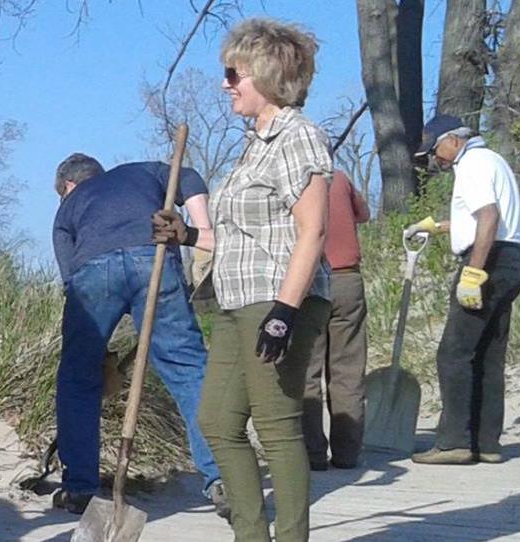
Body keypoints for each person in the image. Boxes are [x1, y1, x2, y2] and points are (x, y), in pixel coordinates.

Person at [153, 18, 331, 542]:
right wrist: (186, 236)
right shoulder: (253, 145)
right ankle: (251, 535)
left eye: (235, 73)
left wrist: (284, 311)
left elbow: (313, 229)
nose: (225, 83)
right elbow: (241, 238)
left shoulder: (298, 136)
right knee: (216, 423)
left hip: (275, 301)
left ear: (269, 75)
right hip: (234, 301)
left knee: (276, 429)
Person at [48, 155, 225, 517]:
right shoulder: (143, 171)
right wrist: (203, 234)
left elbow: (71, 281)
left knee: (77, 380)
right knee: (188, 368)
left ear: (67, 186)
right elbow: (188, 177)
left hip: (92, 273)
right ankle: (222, 478)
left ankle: (80, 487)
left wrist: (94, 351)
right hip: (153, 258)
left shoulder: (68, 209)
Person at [405, 115, 520, 466]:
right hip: (511, 259)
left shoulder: (471, 164)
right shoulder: (493, 160)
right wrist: (439, 226)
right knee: (488, 353)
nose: (436, 160)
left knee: (454, 353)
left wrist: (473, 272)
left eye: (436, 152)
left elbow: (487, 218)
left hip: (488, 262)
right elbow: (487, 219)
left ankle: (454, 443)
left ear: (453, 140)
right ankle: (487, 443)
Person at [305, 170, 372, 471]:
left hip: (308, 278)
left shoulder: (290, 178)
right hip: (347, 278)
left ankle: (312, 454)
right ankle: (347, 453)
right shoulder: (341, 177)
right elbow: (364, 214)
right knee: (348, 371)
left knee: (306, 372)